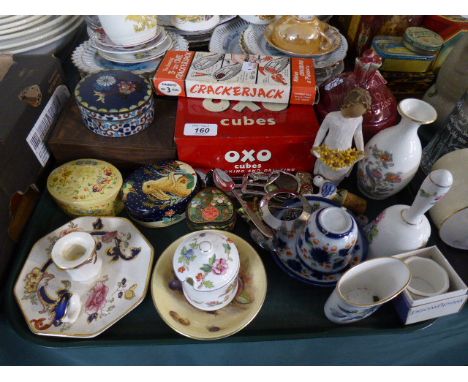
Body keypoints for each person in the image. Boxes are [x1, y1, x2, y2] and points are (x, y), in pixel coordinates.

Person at [312, 87, 371, 185]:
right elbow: (322, 130)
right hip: (328, 149)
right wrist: (316, 145)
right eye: (354, 114)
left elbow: (358, 133)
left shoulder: (359, 119)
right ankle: (319, 181)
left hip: (345, 152)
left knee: (340, 171)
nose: (356, 117)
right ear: (348, 105)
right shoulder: (332, 117)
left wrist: (361, 149)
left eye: (359, 114)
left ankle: (333, 184)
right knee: (325, 168)